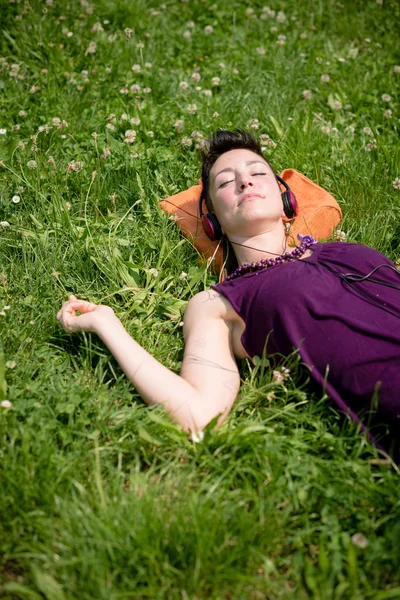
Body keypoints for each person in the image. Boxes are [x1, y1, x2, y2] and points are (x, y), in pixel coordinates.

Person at [57, 129, 400, 457]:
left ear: (286, 197)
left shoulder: (351, 251)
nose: (245, 181)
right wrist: (108, 326)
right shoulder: (220, 302)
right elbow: (199, 415)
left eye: (258, 173)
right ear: (211, 219)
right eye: (225, 181)